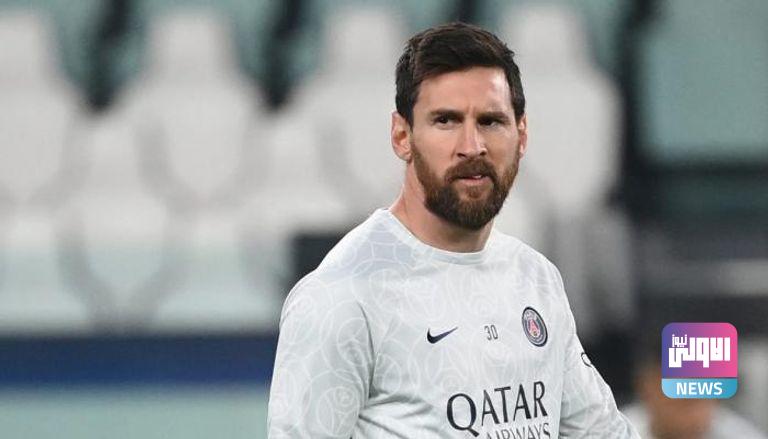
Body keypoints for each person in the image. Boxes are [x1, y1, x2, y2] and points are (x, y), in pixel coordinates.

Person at [267, 22, 639, 438]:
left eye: (491, 121)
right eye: (446, 120)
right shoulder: (342, 297)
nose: (472, 146)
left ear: (521, 136)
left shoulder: (536, 278)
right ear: (402, 136)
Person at [622, 338, 767, 439]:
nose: (697, 416)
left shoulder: (741, 435)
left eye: (706, 400)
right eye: (686, 401)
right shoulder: (615, 431)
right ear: (648, 387)